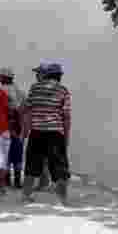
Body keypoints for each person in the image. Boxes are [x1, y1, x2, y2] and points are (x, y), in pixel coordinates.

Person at [21, 61, 72, 205]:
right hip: (55, 133)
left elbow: (27, 110)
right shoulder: (63, 90)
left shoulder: (34, 88)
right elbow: (66, 116)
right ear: (59, 76)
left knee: (31, 166)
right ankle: (62, 199)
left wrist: (25, 131)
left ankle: (26, 196)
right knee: (60, 167)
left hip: (36, 132)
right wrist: (66, 137)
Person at [0, 67, 27, 189]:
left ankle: (7, 180)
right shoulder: (18, 89)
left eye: (1, 77)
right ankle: (18, 180)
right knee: (17, 152)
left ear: (4, 77)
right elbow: (25, 104)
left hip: (6, 125)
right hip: (17, 125)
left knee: (6, 153)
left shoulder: (1, 90)